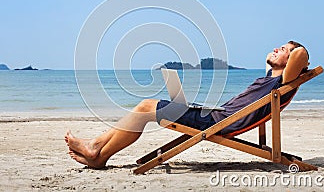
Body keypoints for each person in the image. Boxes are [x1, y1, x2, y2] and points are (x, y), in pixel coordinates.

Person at [65, 40, 309, 169]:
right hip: (213, 115)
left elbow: (299, 56)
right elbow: (270, 58)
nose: (277, 49)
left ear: (293, 63)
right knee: (147, 107)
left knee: (145, 108)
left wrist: (296, 51)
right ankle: (97, 150)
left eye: (284, 49)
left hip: (217, 121)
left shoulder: (283, 80)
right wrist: (281, 52)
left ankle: (98, 151)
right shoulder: (271, 76)